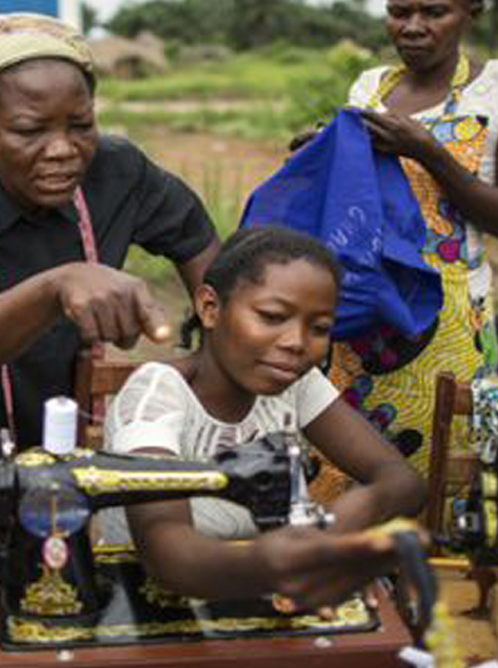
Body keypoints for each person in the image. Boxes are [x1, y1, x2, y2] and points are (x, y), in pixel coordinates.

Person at [0, 13, 220, 460]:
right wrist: (60, 286)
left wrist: (217, 344)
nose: (63, 150)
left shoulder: (117, 173)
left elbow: (199, 244)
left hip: (69, 416)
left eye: (81, 125)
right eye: (29, 131)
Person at [105, 227, 424, 608]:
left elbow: (404, 480)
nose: (296, 342)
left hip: (258, 594)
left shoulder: (295, 384)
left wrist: (359, 511)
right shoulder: (156, 394)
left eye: (320, 328)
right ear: (210, 308)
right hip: (152, 603)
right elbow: (167, 551)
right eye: (272, 316)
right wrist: (269, 565)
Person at [329, 0, 498, 474]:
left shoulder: (491, 92)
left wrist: (425, 149)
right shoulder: (370, 88)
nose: (413, 26)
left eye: (434, 12)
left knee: (447, 474)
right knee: (354, 470)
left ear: (472, 12)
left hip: (452, 321)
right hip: (366, 314)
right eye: (400, 12)